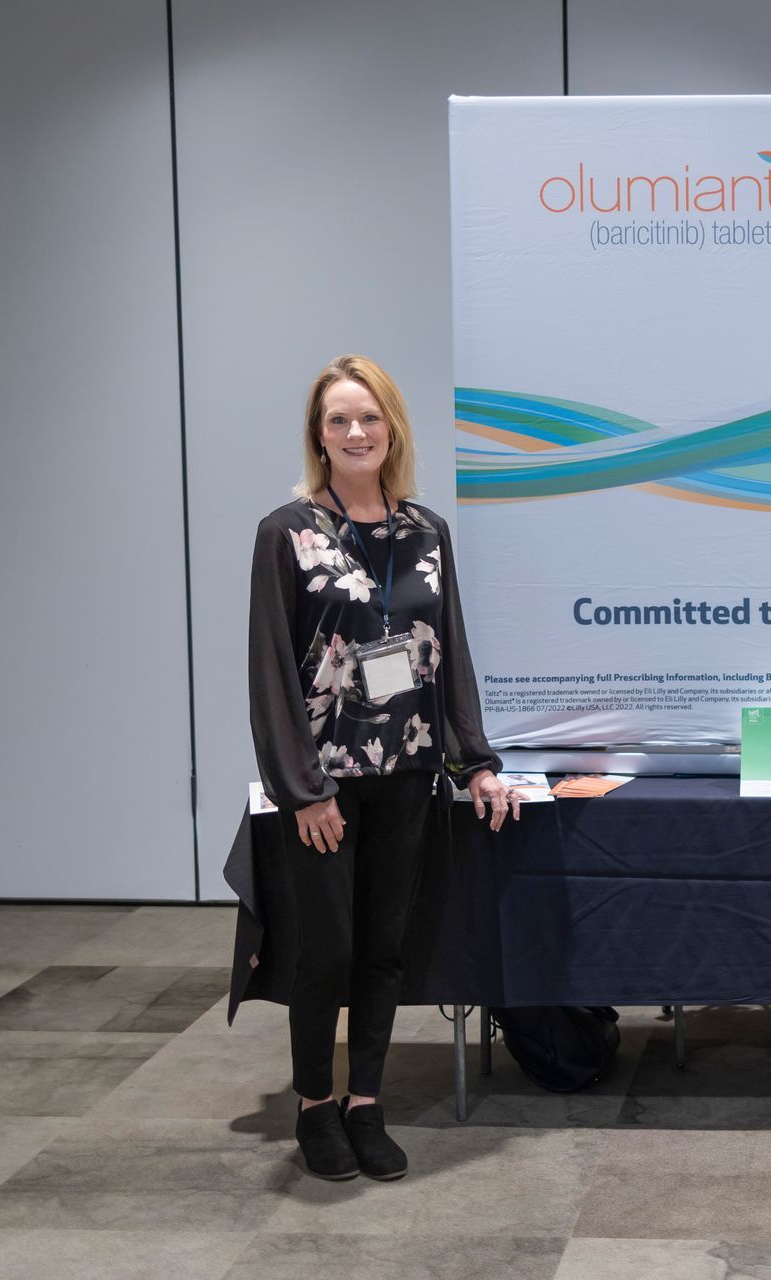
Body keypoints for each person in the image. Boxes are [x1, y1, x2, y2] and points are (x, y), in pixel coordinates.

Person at [249, 353, 519, 1182]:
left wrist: (475, 763)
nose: (356, 431)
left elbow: (450, 654)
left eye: (369, 417)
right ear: (319, 435)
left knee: (383, 948)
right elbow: (270, 670)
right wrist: (303, 790)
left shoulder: (426, 532)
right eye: (339, 419)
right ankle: (314, 1107)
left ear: (392, 428)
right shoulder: (286, 533)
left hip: (408, 774)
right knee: (324, 951)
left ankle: (365, 1102)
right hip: (325, 788)